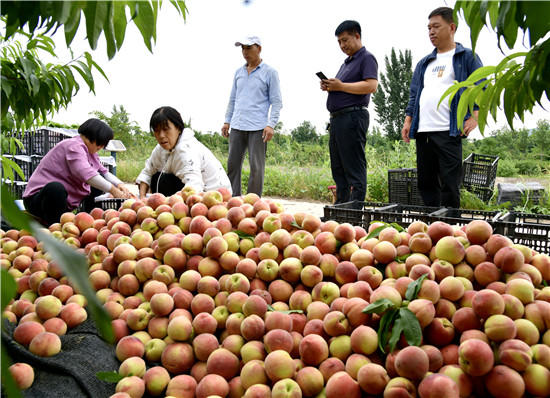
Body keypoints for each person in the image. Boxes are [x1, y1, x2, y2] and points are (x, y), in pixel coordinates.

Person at [401, 7, 483, 208]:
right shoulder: (424, 63)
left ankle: (451, 229)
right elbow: (414, 95)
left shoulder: (466, 57)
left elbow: (481, 87)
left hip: (449, 132)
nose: (431, 32)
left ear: (452, 27)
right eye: (429, 28)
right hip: (423, 131)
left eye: (436, 26)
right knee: (426, 183)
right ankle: (431, 227)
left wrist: (475, 117)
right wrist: (408, 122)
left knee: (450, 184)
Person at [23, 119, 133, 226]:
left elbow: (103, 172)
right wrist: (113, 190)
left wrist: (120, 184)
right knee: (55, 188)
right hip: (39, 200)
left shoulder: (90, 152)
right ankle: (55, 228)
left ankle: (88, 223)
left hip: (62, 202)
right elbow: (87, 174)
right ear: (93, 137)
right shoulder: (74, 146)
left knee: (97, 183)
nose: (101, 147)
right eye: (101, 143)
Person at [320, 20, 378, 204]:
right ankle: (340, 209)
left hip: (353, 117)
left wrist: (341, 85)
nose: (342, 45)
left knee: (354, 167)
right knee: (339, 168)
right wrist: (331, 87)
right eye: (339, 42)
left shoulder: (366, 58)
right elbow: (343, 88)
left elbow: (371, 85)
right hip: (337, 120)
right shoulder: (346, 63)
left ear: (357, 36)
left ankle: (354, 211)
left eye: (345, 40)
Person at [222, 35, 283, 197]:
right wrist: (227, 121)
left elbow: (276, 101)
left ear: (259, 49)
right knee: (233, 164)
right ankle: (233, 201)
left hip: (258, 127)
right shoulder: (239, 72)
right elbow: (233, 98)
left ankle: (252, 203)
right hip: (237, 124)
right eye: (242, 48)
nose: (245, 52)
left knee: (256, 167)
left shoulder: (269, 72)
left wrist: (271, 125)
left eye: (249, 48)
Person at [137, 106, 231, 199]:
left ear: (178, 128)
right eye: (157, 131)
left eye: (166, 129)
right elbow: (148, 171)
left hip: (214, 196)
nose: (161, 136)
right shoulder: (160, 148)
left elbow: (194, 186)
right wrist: (142, 199)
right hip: (193, 190)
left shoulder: (186, 150)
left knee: (165, 181)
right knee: (157, 178)